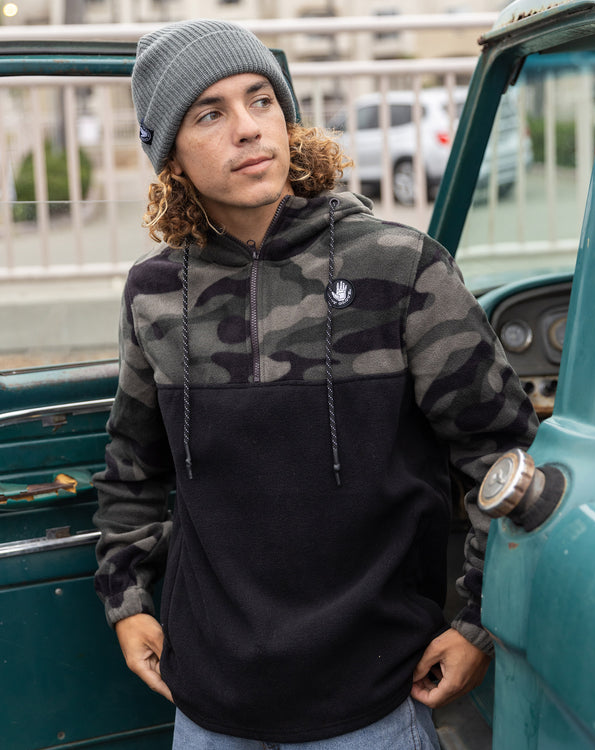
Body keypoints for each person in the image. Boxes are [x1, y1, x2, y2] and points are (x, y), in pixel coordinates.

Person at [93, 18, 538, 750]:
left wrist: (480, 622)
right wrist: (127, 599)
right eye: (209, 114)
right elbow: (132, 465)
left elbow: (503, 455)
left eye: (260, 99)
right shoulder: (154, 293)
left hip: (376, 699)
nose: (247, 128)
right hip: (209, 700)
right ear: (169, 152)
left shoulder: (401, 267)